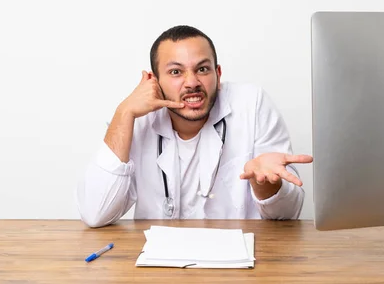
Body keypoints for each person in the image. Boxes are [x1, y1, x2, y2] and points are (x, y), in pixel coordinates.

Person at [76, 25, 313, 227]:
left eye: (202, 69)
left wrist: (267, 186)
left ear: (218, 74)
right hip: (159, 269)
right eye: (176, 72)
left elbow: (289, 215)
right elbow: (95, 213)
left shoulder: (252, 104)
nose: (191, 82)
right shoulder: (137, 120)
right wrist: (124, 113)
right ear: (155, 82)